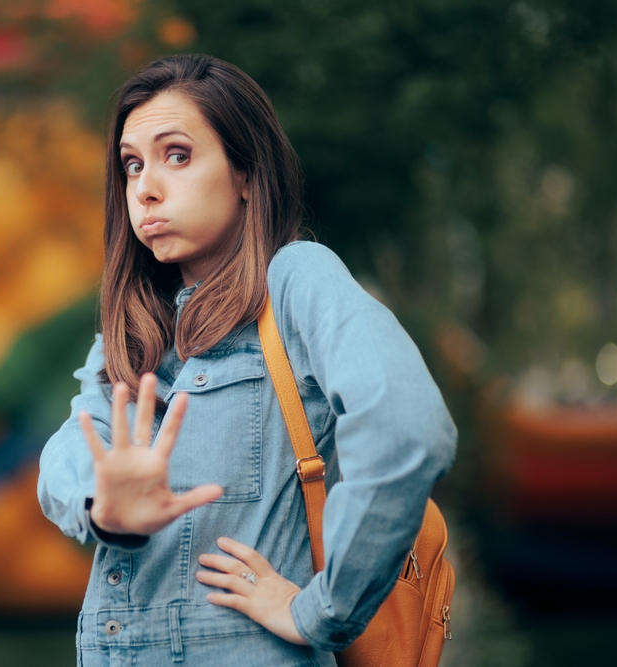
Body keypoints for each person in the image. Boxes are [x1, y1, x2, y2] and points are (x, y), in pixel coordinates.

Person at [37, 54, 457, 667]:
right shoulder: (135, 327)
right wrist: (104, 508)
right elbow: (78, 442)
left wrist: (321, 608)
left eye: (176, 155)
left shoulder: (295, 281)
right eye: (132, 165)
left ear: (245, 174)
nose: (145, 187)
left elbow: (407, 428)